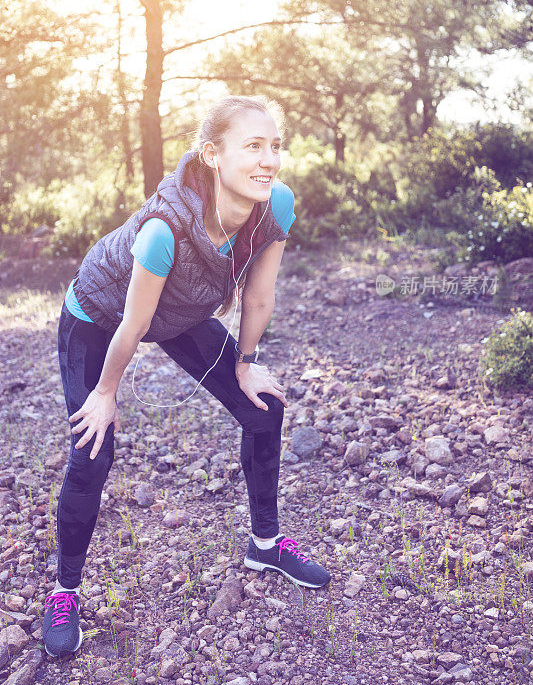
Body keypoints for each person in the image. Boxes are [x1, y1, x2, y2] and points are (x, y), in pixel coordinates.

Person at [42, 94, 331, 658]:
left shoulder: (277, 205)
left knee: (264, 409)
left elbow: (260, 294)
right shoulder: (164, 229)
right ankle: (65, 591)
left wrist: (245, 364)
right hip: (100, 315)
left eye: (275, 146)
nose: (269, 159)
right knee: (93, 447)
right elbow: (134, 322)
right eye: (253, 146)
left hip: (181, 311)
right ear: (213, 155)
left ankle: (265, 545)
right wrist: (106, 393)